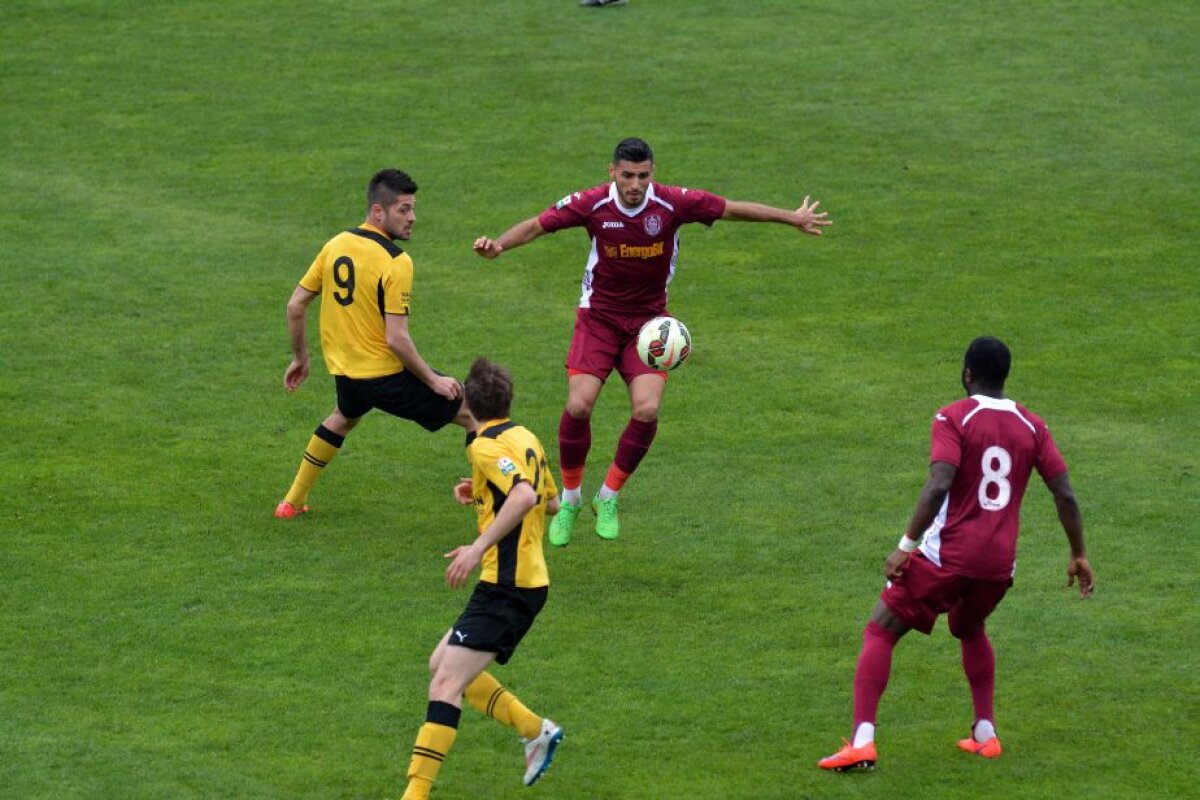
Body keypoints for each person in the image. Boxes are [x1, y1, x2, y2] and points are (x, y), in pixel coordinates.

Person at [473, 137, 830, 544]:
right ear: (612, 172)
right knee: (578, 403)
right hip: (599, 318)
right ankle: (571, 497)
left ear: (652, 173)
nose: (635, 184)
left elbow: (731, 209)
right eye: (627, 176)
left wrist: (791, 217)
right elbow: (538, 225)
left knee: (646, 409)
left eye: (643, 176)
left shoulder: (673, 203)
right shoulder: (592, 204)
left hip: (649, 326)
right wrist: (498, 245)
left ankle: (607, 496)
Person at [817, 336, 1095, 772]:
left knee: (882, 629)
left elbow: (939, 483)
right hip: (999, 565)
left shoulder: (954, 417)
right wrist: (1078, 553)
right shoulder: (1033, 426)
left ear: (967, 373)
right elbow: (1065, 494)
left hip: (947, 557)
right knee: (969, 626)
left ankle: (861, 742)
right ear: (1004, 376)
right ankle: (985, 733)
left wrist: (905, 546)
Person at [401, 358, 564, 799]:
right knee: (443, 665)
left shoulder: (484, 447)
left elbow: (526, 495)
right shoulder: (524, 436)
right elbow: (550, 502)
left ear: (469, 405)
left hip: (508, 587)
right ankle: (534, 729)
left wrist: (477, 547)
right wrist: (481, 491)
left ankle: (414, 795)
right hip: (518, 584)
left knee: (445, 684)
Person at [275, 169, 470, 519]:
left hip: (346, 372)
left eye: (413, 209)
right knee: (475, 413)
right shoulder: (396, 261)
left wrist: (301, 358)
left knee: (343, 419)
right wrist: (432, 380)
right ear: (378, 212)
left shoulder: (336, 244)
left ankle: (291, 502)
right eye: (404, 210)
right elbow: (396, 338)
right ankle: (489, 513)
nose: (413, 218)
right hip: (384, 377)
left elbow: (295, 305)